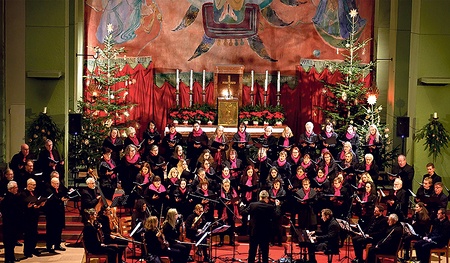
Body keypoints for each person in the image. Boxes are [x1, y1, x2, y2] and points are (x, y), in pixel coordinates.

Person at [239, 190, 281, 263]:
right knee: (265, 253)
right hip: (265, 233)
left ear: (259, 197)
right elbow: (277, 215)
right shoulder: (270, 207)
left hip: (254, 232)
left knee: (252, 252)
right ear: (267, 198)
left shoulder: (252, 205)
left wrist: (242, 206)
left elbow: (243, 212)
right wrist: (277, 206)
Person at [21, 178, 46, 258]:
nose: (35, 186)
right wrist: (30, 206)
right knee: (28, 234)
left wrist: (39, 205)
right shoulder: (24, 194)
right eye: (33, 185)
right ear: (28, 185)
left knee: (34, 233)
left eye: (35, 185)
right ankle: (27, 251)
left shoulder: (35, 192)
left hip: (35, 215)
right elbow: (22, 205)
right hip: (27, 216)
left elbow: (37, 200)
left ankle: (32, 248)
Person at [44, 176, 68, 252]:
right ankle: (49, 246)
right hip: (52, 214)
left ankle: (57, 245)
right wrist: (60, 200)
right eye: (56, 184)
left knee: (58, 230)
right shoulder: (48, 190)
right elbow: (52, 200)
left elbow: (62, 195)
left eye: (58, 183)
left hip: (59, 213)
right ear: (52, 183)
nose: (58, 185)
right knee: (51, 230)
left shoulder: (58, 190)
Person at [0, 181, 22, 263]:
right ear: (11, 189)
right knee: (8, 242)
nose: (17, 189)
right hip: (9, 224)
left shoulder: (14, 197)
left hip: (13, 223)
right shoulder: (7, 199)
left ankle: (11, 257)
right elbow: (7, 212)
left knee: (12, 242)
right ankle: (8, 259)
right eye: (15, 187)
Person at [217, 178, 239, 246]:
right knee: (222, 226)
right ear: (223, 185)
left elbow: (237, 199)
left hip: (231, 210)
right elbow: (217, 202)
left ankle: (231, 240)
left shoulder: (232, 191)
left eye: (228, 185)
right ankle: (221, 241)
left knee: (231, 225)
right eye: (225, 186)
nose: (227, 187)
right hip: (222, 211)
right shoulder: (219, 192)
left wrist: (236, 201)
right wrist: (223, 203)